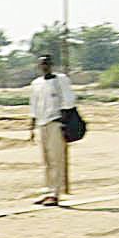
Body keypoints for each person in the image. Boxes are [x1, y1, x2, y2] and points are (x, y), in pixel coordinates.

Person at [28, 53, 76, 205]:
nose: (44, 66)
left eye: (47, 63)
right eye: (42, 64)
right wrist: (32, 125)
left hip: (56, 122)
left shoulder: (60, 80)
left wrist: (64, 122)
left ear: (51, 65)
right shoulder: (36, 83)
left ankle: (55, 193)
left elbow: (68, 101)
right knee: (47, 160)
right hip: (42, 124)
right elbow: (34, 105)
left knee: (56, 159)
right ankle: (48, 190)